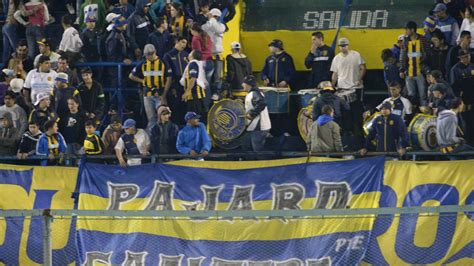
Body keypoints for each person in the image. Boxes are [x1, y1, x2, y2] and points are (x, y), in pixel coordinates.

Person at [129, 44, 172, 130]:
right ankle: (153, 138)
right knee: (151, 119)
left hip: (159, 94)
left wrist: (164, 95)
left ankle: (163, 136)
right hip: (147, 94)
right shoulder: (143, 63)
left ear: (154, 52)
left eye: (150, 54)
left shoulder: (163, 62)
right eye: (147, 55)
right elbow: (131, 76)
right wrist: (142, 81)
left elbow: (169, 78)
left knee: (163, 117)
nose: (148, 57)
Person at [331, 37, 366, 141]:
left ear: (348, 45)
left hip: (355, 88)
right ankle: (347, 136)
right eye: (341, 46)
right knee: (345, 114)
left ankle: (358, 137)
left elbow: (363, 68)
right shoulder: (336, 58)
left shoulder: (356, 55)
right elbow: (335, 73)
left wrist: (359, 79)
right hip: (341, 89)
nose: (343, 48)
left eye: (344, 45)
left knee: (356, 114)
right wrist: (332, 86)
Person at [400, 21, 430, 106]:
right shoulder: (405, 41)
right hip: (409, 73)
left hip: (420, 72)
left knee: (423, 95)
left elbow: (428, 54)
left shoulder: (423, 39)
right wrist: (402, 69)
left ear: (412, 30)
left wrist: (427, 70)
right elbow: (402, 56)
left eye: (407, 29)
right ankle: (411, 112)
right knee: (410, 95)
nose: (405, 31)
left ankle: (424, 112)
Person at [241, 76, 271, 152]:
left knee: (257, 150)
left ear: (248, 84)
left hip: (259, 127)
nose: (242, 85)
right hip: (254, 127)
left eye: (244, 83)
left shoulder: (254, 93)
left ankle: (262, 163)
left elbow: (261, 103)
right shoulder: (253, 93)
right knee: (246, 145)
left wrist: (251, 114)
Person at [163, 37, 189, 124]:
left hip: (185, 86)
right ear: (177, 42)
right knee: (175, 110)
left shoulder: (186, 55)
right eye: (182, 42)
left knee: (185, 109)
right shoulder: (168, 55)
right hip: (174, 86)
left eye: (185, 43)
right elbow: (168, 74)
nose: (184, 45)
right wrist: (172, 87)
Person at [449, 49, 474, 143]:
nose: (467, 58)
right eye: (464, 57)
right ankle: (469, 143)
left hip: (473, 99)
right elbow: (454, 86)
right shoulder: (455, 70)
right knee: (466, 123)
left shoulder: (472, 66)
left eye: (468, 56)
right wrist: (459, 101)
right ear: (460, 58)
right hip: (464, 101)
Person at [202, 8, 226, 99]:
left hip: (217, 55)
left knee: (217, 76)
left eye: (216, 17)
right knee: (208, 78)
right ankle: (208, 95)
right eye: (213, 16)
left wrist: (211, 19)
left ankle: (217, 92)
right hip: (208, 55)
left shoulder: (221, 26)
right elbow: (204, 29)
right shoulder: (206, 25)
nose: (214, 18)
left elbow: (216, 28)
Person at [190, 22, 214, 104]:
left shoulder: (195, 38)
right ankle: (208, 104)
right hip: (210, 61)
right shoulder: (207, 36)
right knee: (208, 84)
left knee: (202, 85)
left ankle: (204, 105)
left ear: (193, 30)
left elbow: (197, 53)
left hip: (202, 63)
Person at [180, 50, 207, 118]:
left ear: (192, 55)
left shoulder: (193, 63)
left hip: (194, 96)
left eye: (190, 52)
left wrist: (186, 92)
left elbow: (193, 78)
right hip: (198, 95)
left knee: (194, 118)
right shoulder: (198, 63)